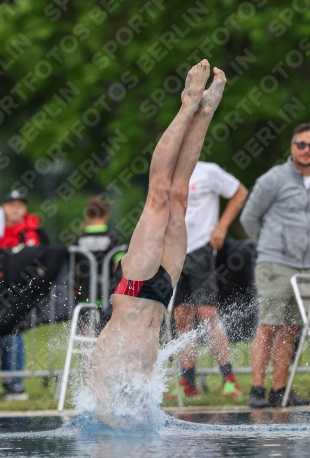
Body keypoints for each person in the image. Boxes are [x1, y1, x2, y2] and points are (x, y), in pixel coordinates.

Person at [90, 60, 227, 413]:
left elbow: (98, 409)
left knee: (160, 195)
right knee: (179, 197)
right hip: (162, 291)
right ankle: (206, 112)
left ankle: (188, 103)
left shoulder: (104, 381)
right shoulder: (129, 395)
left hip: (133, 290)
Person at [240, 123, 310, 408]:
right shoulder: (272, 179)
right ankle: (256, 390)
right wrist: (268, 246)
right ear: (292, 146)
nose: (306, 150)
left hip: (304, 267)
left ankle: (279, 391)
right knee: (268, 325)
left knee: (290, 328)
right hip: (275, 264)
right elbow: (248, 218)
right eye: (301, 144)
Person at [172, 161, 248, 398]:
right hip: (175, 250)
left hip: (201, 249)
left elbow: (240, 192)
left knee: (207, 314)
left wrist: (221, 227)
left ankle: (229, 379)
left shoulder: (209, 170)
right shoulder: (169, 171)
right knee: (182, 316)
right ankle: (188, 383)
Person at [0, 190, 49, 400]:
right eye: (11, 204)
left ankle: (15, 383)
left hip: (18, 292)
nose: (16, 208)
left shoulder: (34, 231)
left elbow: (46, 259)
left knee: (12, 334)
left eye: (20, 204)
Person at [75, 195, 124, 304]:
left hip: (84, 298)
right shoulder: (113, 238)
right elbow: (118, 268)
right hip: (107, 297)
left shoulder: (79, 238)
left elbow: (75, 270)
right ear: (107, 214)